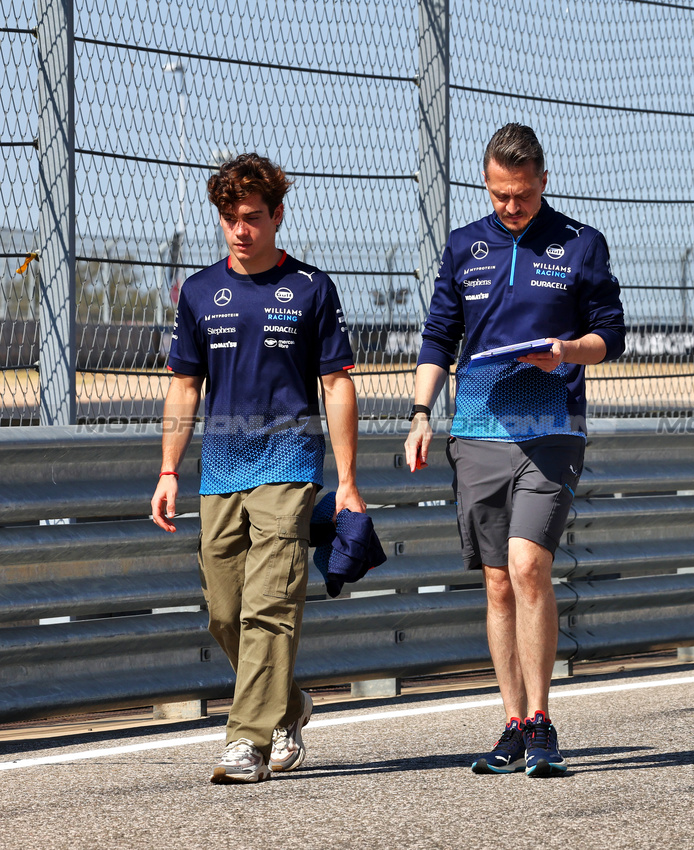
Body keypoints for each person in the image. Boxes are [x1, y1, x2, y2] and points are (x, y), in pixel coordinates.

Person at [405, 123, 625, 778]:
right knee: (497, 581)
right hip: (475, 432)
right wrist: (420, 413)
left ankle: (541, 719)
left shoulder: (580, 245)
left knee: (529, 565)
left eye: (522, 196)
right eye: (500, 195)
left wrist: (564, 351)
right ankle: (510, 721)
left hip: (552, 431)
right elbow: (439, 334)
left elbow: (610, 334)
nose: (511, 207)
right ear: (488, 183)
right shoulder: (463, 245)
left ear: (543, 182)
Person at [150, 153, 365, 784]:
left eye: (251, 218)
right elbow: (185, 387)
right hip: (219, 471)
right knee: (225, 612)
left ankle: (245, 742)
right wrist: (169, 470)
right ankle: (287, 704)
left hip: (289, 464)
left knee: (270, 605)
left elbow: (338, 384)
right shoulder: (197, 291)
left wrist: (348, 481)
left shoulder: (311, 289)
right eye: (228, 218)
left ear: (276, 215)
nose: (239, 230)